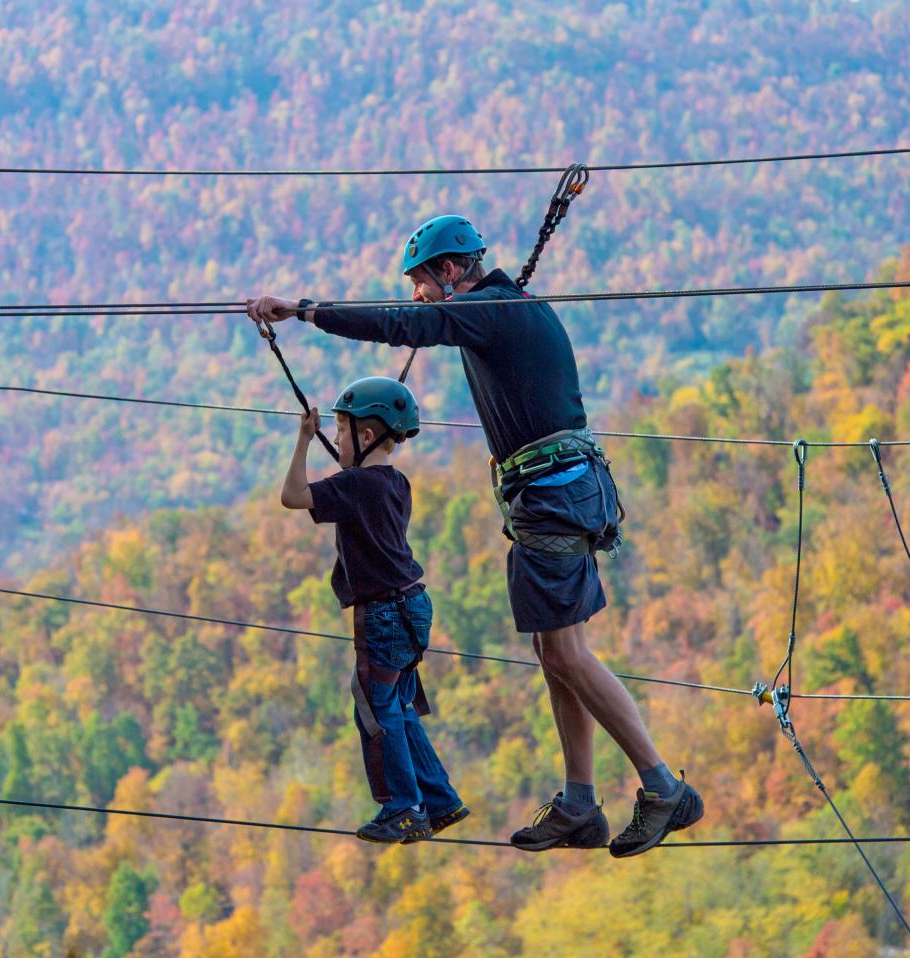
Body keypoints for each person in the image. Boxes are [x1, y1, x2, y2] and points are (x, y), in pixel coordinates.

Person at [250, 215, 703, 858]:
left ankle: (662, 787)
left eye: (422, 282)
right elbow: (438, 324)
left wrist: (302, 310)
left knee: (567, 656)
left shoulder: (493, 312)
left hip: (554, 496)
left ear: (452, 271)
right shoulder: (501, 311)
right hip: (555, 495)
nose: (418, 297)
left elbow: (401, 327)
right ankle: (580, 803)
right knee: (556, 654)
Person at [279, 374, 468, 844]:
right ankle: (439, 799)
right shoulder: (394, 482)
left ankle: (404, 807)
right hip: (413, 605)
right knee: (398, 704)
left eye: (341, 431)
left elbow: (293, 496)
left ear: (366, 437)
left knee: (374, 705)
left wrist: (304, 440)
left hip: (382, 612)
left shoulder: (357, 484)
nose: (336, 438)